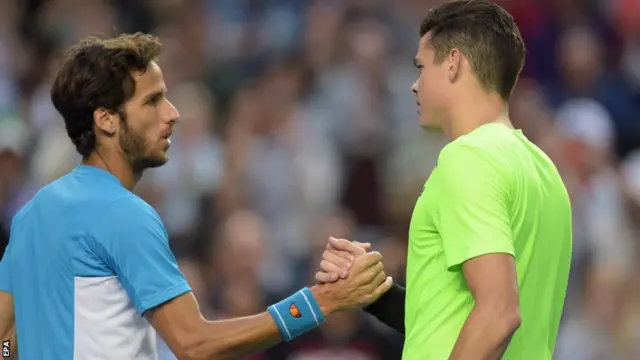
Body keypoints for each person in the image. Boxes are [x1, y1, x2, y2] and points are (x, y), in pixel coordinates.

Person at [0, 33, 393, 359]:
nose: (172, 113)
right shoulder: (124, 215)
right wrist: (318, 302)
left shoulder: (31, 214)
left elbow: (2, 341)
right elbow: (194, 344)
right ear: (106, 120)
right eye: (152, 101)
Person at [316, 1, 572, 359]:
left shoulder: (467, 158)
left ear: (453, 63)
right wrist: (376, 293)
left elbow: (498, 315)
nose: (414, 85)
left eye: (422, 67)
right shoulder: (545, 171)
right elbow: (455, 321)